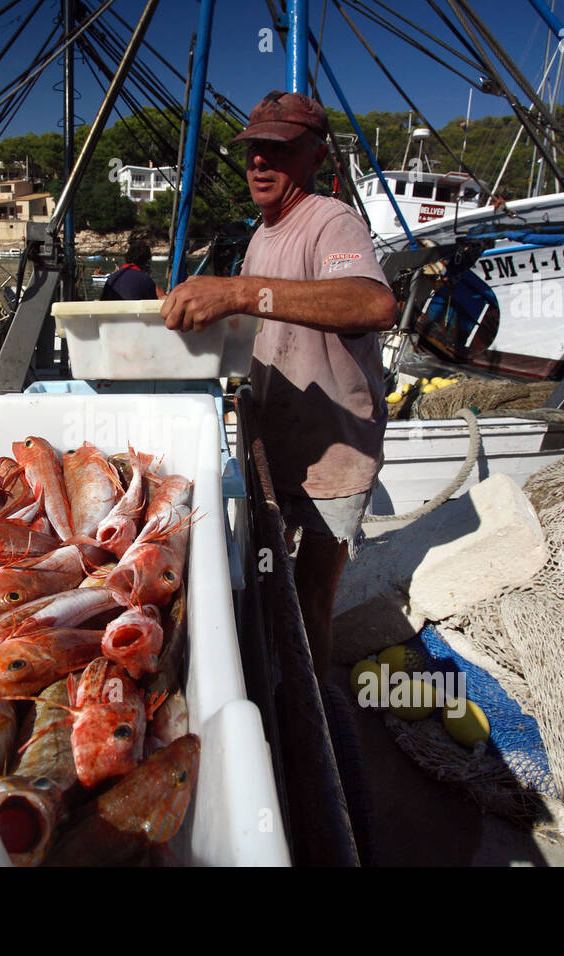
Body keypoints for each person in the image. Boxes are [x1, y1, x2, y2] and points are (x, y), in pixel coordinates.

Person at [159, 90, 396, 676]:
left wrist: (238, 291)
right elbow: (265, 327)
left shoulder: (331, 221)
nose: (260, 163)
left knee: (311, 600)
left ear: (314, 157)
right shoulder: (263, 234)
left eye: (278, 150)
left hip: (333, 455)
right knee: (269, 582)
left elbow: (372, 302)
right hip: (275, 450)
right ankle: (276, 678)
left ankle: (313, 717)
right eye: (253, 151)